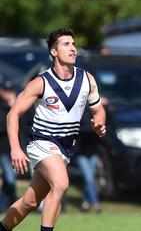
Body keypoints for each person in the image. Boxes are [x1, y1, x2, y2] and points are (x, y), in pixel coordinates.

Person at [0, 28, 107, 231]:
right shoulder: (41, 83)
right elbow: (12, 114)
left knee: (30, 202)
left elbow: (98, 110)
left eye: (74, 44)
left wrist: (99, 123)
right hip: (42, 142)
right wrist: (16, 149)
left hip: (66, 148)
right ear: (54, 52)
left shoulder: (87, 80)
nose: (72, 48)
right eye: (66, 44)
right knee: (61, 184)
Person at [75, 108, 104, 212]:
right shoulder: (78, 114)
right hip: (81, 154)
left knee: (90, 179)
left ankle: (85, 203)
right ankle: (96, 203)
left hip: (93, 153)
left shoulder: (98, 113)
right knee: (89, 178)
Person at [0, 79, 18, 212]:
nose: (9, 93)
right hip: (4, 150)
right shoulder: (2, 107)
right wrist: (11, 109)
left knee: (10, 179)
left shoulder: (19, 105)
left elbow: (25, 125)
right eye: (6, 91)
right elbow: (3, 126)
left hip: (16, 149)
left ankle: (5, 205)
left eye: (11, 91)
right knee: (10, 179)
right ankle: (10, 203)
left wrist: (15, 108)